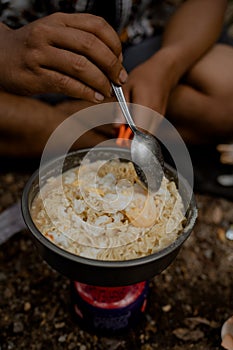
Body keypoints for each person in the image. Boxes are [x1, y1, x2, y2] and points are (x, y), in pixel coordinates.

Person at [0, 0, 232, 157]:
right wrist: (5, 45)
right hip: (16, 56)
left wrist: (166, 66)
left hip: (134, 47)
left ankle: (50, 130)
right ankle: (101, 144)